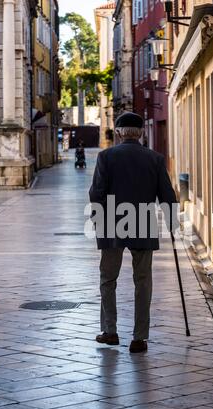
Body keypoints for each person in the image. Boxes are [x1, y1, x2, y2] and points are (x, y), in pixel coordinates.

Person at [89, 112, 178, 353]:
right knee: (143, 281)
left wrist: (98, 221)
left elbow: (96, 193)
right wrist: (173, 223)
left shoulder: (106, 156)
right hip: (143, 223)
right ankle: (140, 337)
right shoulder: (155, 159)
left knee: (108, 279)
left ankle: (110, 331)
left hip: (112, 224)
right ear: (140, 133)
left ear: (118, 132)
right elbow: (167, 195)